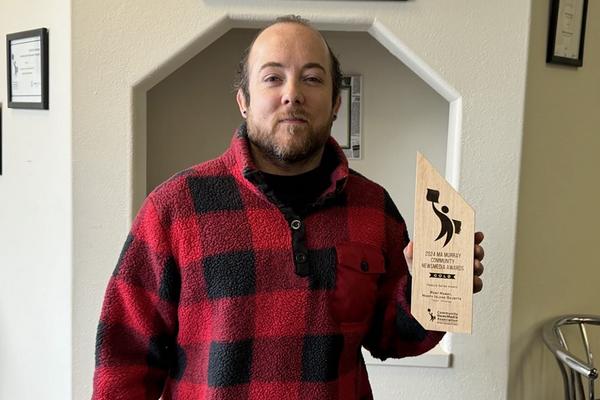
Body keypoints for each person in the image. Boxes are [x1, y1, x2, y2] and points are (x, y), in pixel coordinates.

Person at [92, 15, 485, 400]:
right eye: (272, 77)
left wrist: (435, 291)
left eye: (312, 78)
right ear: (243, 101)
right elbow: (124, 358)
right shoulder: (174, 208)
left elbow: (395, 338)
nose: (292, 93)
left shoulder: (373, 208)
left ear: (335, 103)